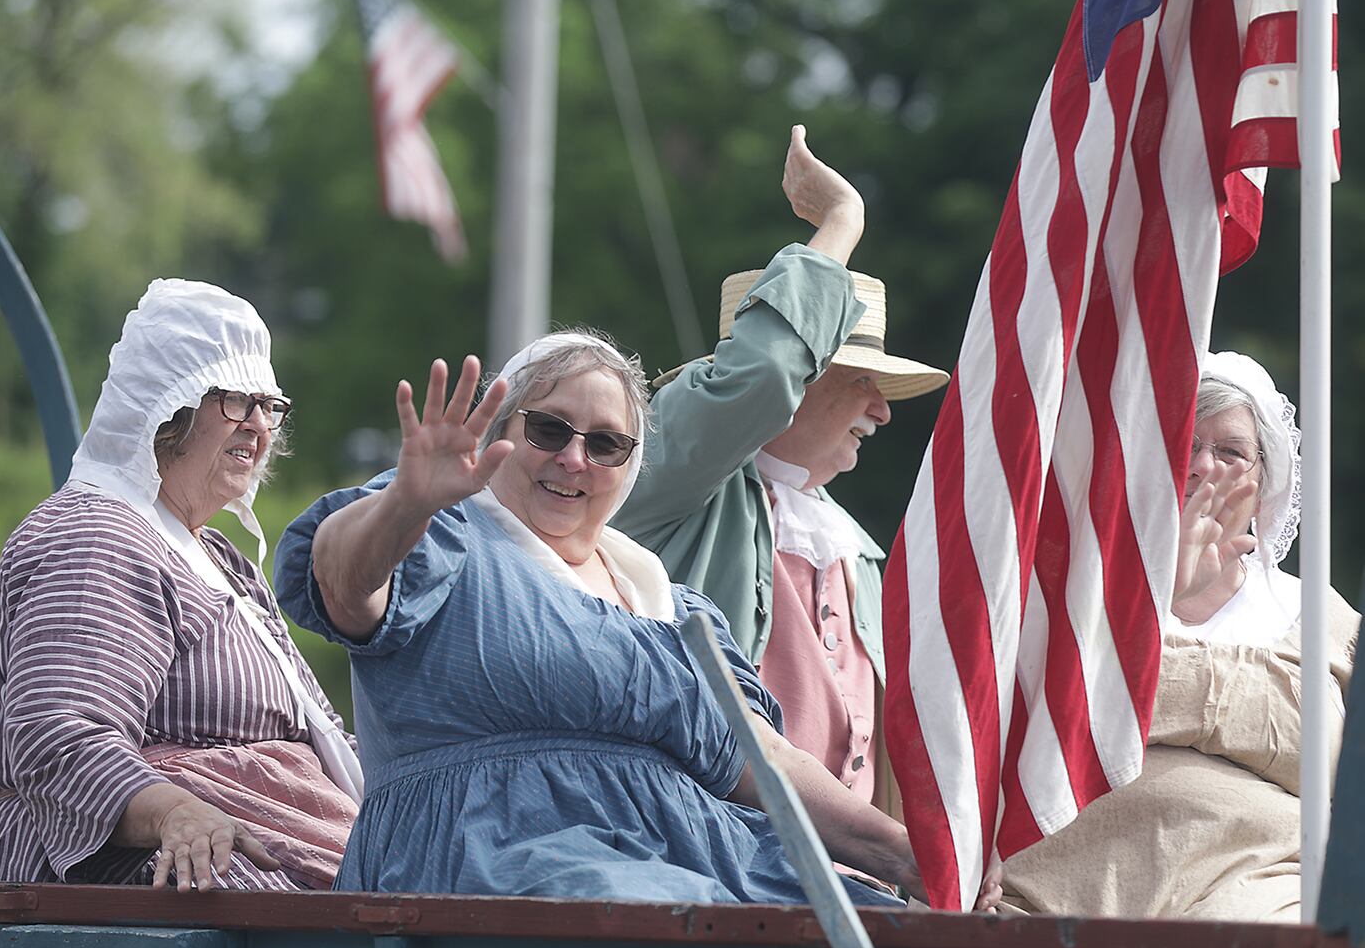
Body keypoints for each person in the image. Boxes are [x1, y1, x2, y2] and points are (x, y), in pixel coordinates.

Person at [274, 336, 1000, 907]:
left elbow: (769, 764)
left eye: (606, 443)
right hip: (502, 859)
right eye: (549, 429)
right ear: (501, 431)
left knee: (890, 931)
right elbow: (345, 587)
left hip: (701, 859)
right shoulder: (444, 533)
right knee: (665, 916)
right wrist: (407, 502)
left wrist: (917, 856)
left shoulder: (672, 607)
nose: (574, 458)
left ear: (631, 461)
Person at [0, 280, 361, 893]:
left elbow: (319, 731)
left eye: (268, 405)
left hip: (274, 859)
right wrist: (173, 810)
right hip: (127, 890)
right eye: (233, 399)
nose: (257, 424)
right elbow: (59, 736)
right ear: (168, 407)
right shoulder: (95, 537)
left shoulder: (216, 556)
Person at [612, 125, 948, 816]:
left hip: (841, 882)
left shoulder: (854, 548)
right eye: (860, 380)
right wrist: (841, 219)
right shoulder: (673, 476)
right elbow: (762, 371)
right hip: (709, 863)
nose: (882, 412)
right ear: (806, 372)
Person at [1000, 351, 1359, 921]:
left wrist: (1153, 692)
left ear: (1267, 480)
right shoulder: (1064, 592)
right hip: (1057, 894)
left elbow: (1341, 761)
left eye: (1231, 452)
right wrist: (1157, 602)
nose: (1203, 468)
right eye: (1182, 445)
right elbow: (1037, 719)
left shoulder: (1319, 617)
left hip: (1260, 886)